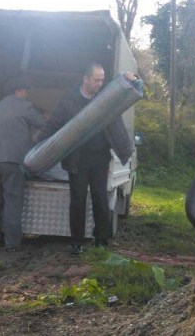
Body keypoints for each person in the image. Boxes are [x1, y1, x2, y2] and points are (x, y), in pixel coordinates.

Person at [39, 63, 135, 255]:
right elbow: (54, 123)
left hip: (100, 158)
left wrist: (132, 79)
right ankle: (77, 241)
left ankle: (101, 239)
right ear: (85, 79)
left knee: (100, 197)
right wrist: (39, 145)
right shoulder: (69, 101)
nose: (100, 84)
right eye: (96, 80)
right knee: (78, 199)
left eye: (102, 80)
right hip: (77, 159)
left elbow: (123, 90)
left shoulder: (104, 97)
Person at [0, 77, 46, 252]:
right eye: (25, 91)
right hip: (12, 160)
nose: (26, 94)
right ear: (18, 91)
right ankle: (11, 243)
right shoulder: (24, 106)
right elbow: (42, 124)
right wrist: (45, 116)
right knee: (12, 201)